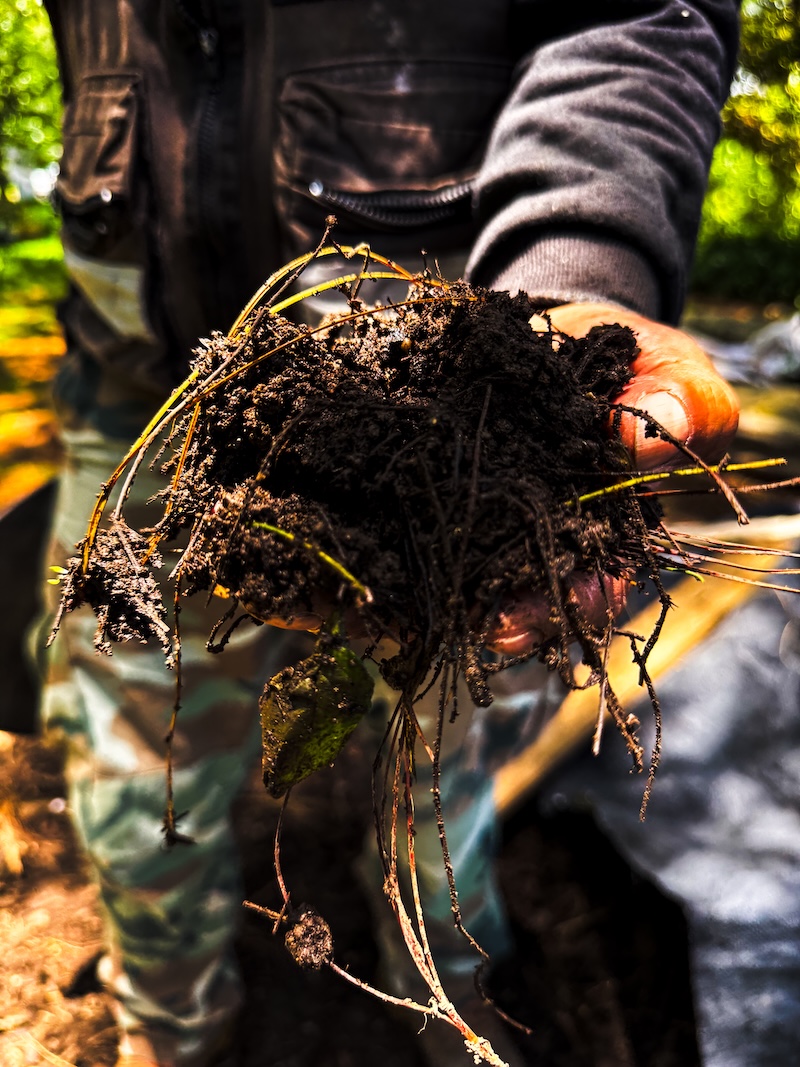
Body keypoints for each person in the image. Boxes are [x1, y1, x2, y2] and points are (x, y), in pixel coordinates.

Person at [32, 1, 744, 1065]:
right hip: (137, 379)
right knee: (131, 760)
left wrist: (567, 283)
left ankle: (446, 994)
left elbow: (630, 17)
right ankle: (169, 1016)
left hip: (431, 377)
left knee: (443, 746)